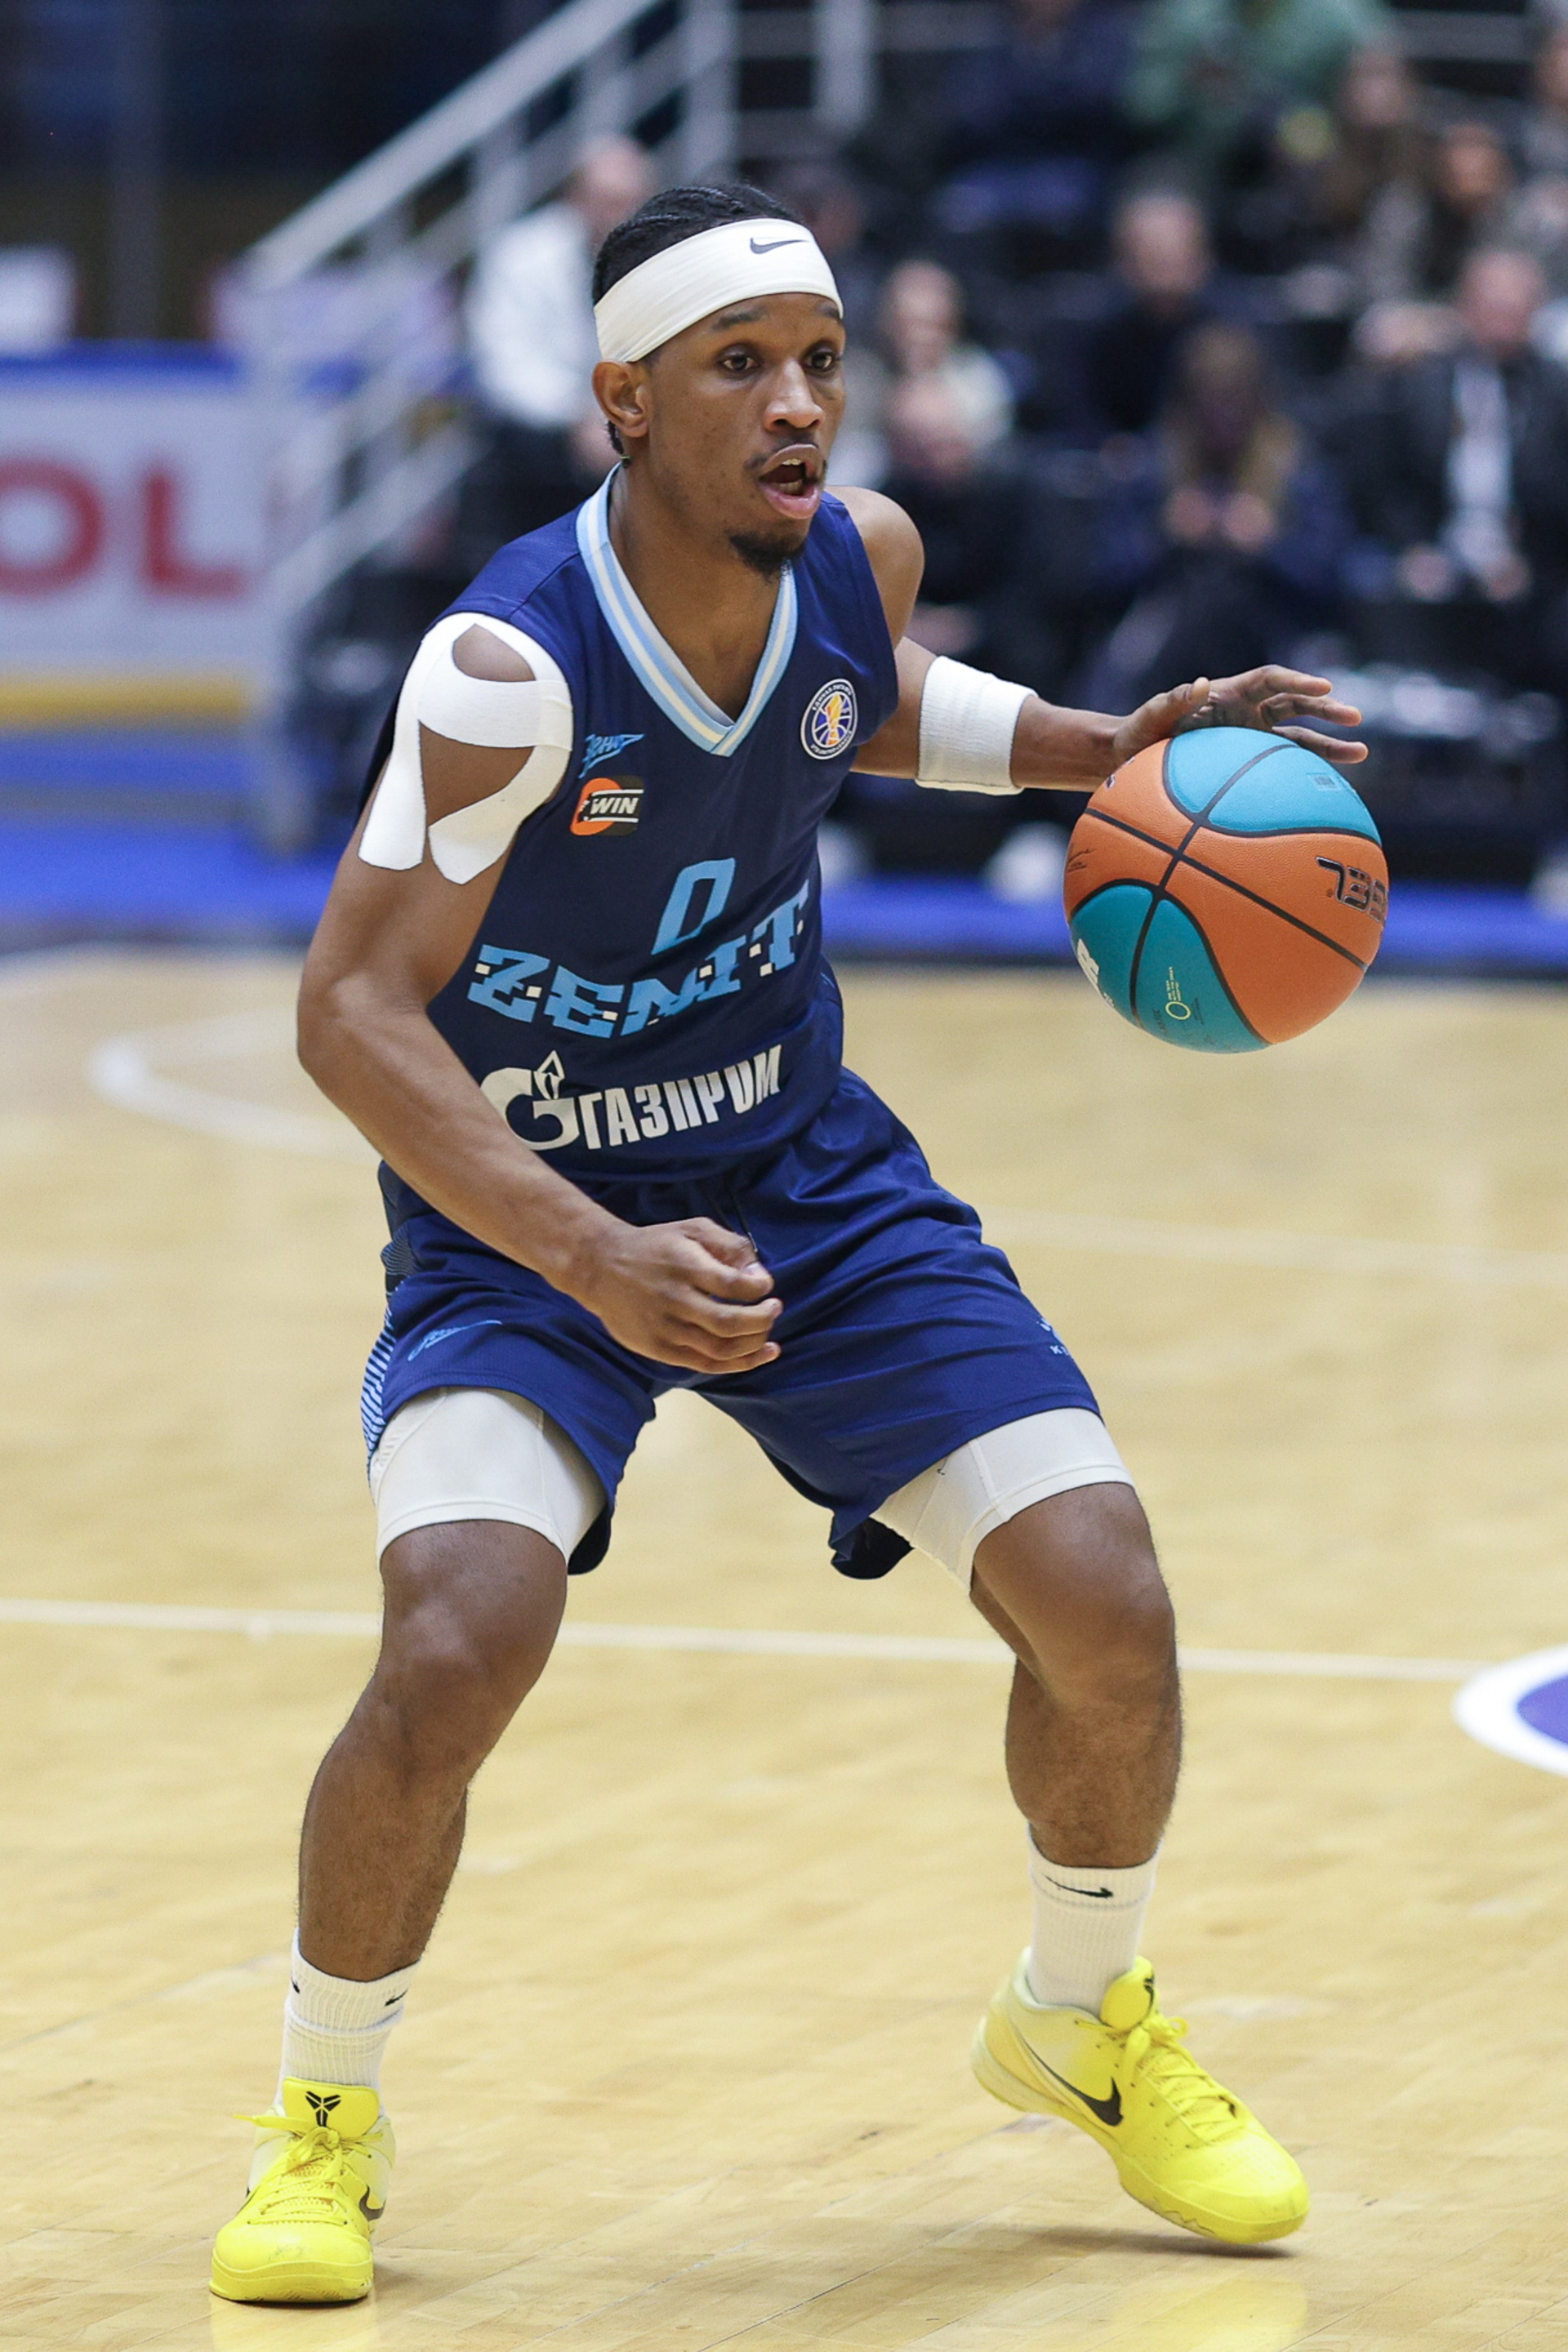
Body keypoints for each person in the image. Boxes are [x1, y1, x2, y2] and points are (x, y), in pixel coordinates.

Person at [207, 180, 1365, 2308]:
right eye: (740, 365)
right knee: (458, 1638)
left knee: (1105, 1600)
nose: (801, 402)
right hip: (529, 1216)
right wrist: (590, 1260)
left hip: (802, 1174)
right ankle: (321, 2116)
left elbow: (867, 692)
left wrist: (1099, 751)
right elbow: (351, 1011)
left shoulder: (857, 555)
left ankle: (1079, 2017)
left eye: (821, 360)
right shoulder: (503, 676)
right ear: (625, 402)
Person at [1085, 322, 1350, 710]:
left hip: (1271, 630)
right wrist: (1166, 536)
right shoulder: (1154, 465)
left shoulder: (1296, 470)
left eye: (1234, 402)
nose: (1223, 418)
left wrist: (1270, 546)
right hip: (1169, 634)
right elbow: (1103, 577)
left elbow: (1330, 584)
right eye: (1210, 404)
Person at [1356, 246, 1568, 688]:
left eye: (1515, 309)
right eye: (1492, 307)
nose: (1503, 321)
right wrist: (1413, 548)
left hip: (1531, 567)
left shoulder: (1556, 392)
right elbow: (1387, 481)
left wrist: (1529, 560)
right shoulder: (1419, 382)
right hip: (1435, 552)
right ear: (1464, 308)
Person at [458, 136, 654, 558]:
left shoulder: (661, 258)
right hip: (541, 440)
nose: (618, 216)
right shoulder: (519, 253)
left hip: (626, 426)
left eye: (629, 201)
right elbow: (503, 368)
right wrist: (580, 417)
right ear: (575, 197)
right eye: (607, 200)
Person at [1127, 0, 1394, 187]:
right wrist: (1189, 80)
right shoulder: (1189, 14)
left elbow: (1385, 78)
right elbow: (1141, 107)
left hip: (1313, 163)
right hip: (1203, 162)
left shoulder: (1339, 13)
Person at [1083, 189, 1224, 438]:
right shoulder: (1093, 338)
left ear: (1204, 257)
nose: (1164, 270)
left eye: (1174, 255)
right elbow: (1082, 423)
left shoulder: (1236, 334)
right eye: (1152, 255)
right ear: (1122, 261)